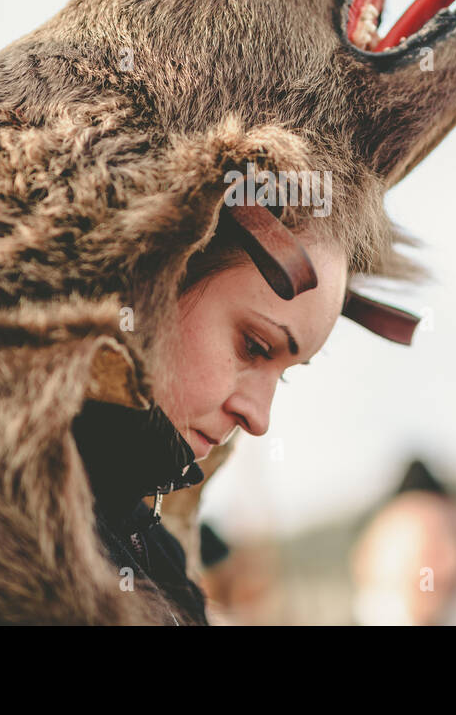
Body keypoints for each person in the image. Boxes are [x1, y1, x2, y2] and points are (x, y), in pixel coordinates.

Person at [69, 211, 348, 625]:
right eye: (254, 346)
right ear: (156, 278)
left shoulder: (160, 560)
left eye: (284, 375)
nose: (259, 420)